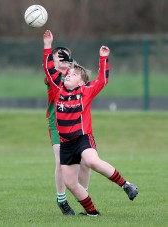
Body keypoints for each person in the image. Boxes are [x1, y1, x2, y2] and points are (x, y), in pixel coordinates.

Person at [43, 30, 138, 216]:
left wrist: (103, 58)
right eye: (68, 73)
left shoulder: (85, 91)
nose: (68, 75)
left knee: (91, 161)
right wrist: (47, 45)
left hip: (82, 138)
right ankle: (93, 213)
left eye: (73, 74)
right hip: (66, 144)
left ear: (81, 82)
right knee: (70, 183)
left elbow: (102, 79)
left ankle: (126, 185)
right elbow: (49, 69)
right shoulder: (57, 89)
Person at [42, 31, 91, 215]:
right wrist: (47, 46)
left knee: (86, 163)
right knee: (60, 161)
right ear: (52, 62)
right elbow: (49, 71)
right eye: (58, 57)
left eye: (66, 57)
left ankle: (83, 196)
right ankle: (61, 199)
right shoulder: (53, 77)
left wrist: (73, 65)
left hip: (78, 125)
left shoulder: (76, 75)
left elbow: (85, 81)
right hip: (58, 125)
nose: (62, 59)